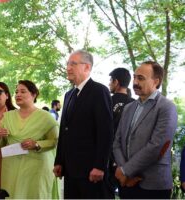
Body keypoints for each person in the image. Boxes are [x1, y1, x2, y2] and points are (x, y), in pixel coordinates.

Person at [53, 50, 113, 199]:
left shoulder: (99, 91)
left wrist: (100, 166)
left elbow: (105, 131)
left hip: (91, 170)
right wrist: (59, 161)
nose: (68, 68)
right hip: (70, 169)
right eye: (67, 64)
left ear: (87, 67)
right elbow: (64, 131)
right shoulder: (69, 95)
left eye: (73, 63)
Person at [113, 61, 178, 199]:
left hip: (153, 187)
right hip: (126, 185)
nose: (135, 82)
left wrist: (125, 170)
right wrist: (124, 173)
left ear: (156, 81)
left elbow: (156, 147)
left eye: (140, 78)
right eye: (134, 77)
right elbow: (117, 142)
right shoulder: (128, 108)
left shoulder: (167, 108)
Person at [0, 80, 59, 199]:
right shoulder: (8, 116)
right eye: (16, 92)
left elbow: (55, 141)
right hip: (12, 166)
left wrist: (37, 144)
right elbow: (0, 144)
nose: (18, 94)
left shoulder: (46, 117)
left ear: (34, 94)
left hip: (36, 167)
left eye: (23, 91)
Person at [108, 67, 135, 197]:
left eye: (110, 81)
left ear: (116, 82)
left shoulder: (107, 101)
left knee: (107, 193)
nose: (109, 84)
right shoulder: (136, 104)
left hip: (107, 157)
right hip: (128, 158)